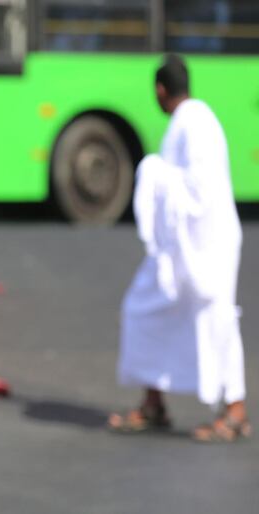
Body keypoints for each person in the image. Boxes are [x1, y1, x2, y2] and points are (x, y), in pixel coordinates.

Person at [108, 55, 250, 442]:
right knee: (145, 311)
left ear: (160, 89)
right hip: (184, 248)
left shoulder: (193, 122)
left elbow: (198, 191)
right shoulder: (191, 120)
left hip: (206, 246)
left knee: (216, 319)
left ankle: (235, 410)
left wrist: (154, 173)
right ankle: (153, 403)